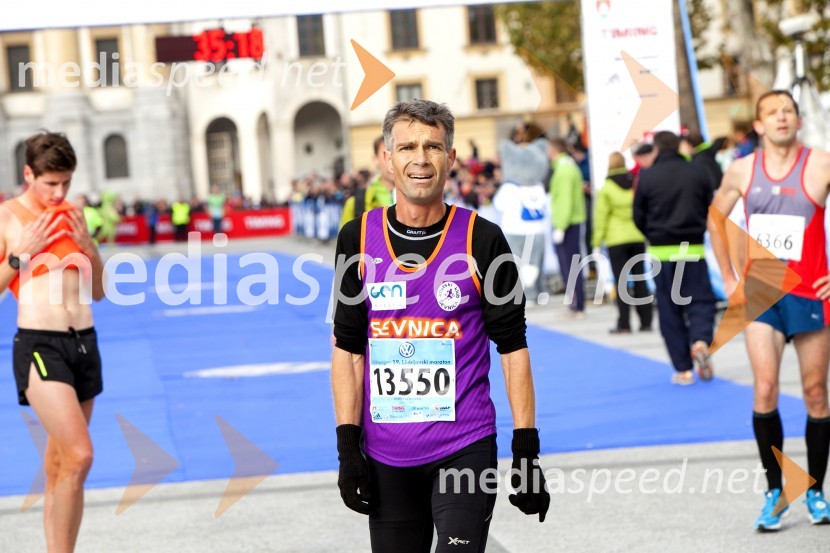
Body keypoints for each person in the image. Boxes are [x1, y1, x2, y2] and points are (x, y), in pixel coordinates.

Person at [330, 99, 550, 553]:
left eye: (433, 147)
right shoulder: (356, 238)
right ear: (387, 159)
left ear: (451, 159)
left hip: (464, 448)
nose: (420, 159)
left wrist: (526, 450)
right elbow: (348, 349)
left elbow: (513, 348)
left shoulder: (483, 239)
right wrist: (348, 449)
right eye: (407, 147)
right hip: (387, 456)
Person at [707, 90, 830, 531]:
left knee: (816, 393)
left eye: (788, 111)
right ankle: (775, 491)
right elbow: (715, 217)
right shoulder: (743, 169)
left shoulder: (820, 163)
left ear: (798, 120)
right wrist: (727, 275)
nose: (782, 118)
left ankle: (815, 490)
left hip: (813, 294)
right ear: (758, 125)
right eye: (772, 113)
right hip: (762, 295)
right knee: (765, 389)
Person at [0, 131, 106, 552]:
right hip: (40, 345)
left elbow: (98, 291)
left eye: (66, 182)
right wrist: (18, 255)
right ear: (28, 174)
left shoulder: (73, 213)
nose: (59, 192)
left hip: (85, 342)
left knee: (61, 462)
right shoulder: (8, 216)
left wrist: (88, 247)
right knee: (80, 454)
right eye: (50, 184)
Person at [633, 130, 717, 385]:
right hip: (692, 249)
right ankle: (701, 340)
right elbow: (708, 204)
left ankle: (683, 369)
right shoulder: (697, 171)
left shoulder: (647, 176)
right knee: (701, 301)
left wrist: (652, 233)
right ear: (679, 145)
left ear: (656, 149)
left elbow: (638, 213)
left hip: (661, 251)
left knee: (669, 311)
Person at [592, 152, 653, 334]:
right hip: (637, 237)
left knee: (621, 282)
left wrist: (596, 241)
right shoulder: (634, 184)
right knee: (641, 279)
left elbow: (601, 218)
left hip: (616, 240)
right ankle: (646, 321)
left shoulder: (607, 189)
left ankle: (624, 323)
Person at [548, 136, 587, 317]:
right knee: (572, 264)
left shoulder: (563, 170)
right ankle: (576, 302)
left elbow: (564, 200)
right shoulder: (568, 167)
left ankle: (576, 303)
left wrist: (560, 226)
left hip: (568, 223)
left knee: (569, 265)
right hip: (571, 221)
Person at [340, 136, 396, 228]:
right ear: (375, 159)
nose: (392, 162)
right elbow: (346, 241)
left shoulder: (421, 198)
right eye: (386, 155)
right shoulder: (356, 203)